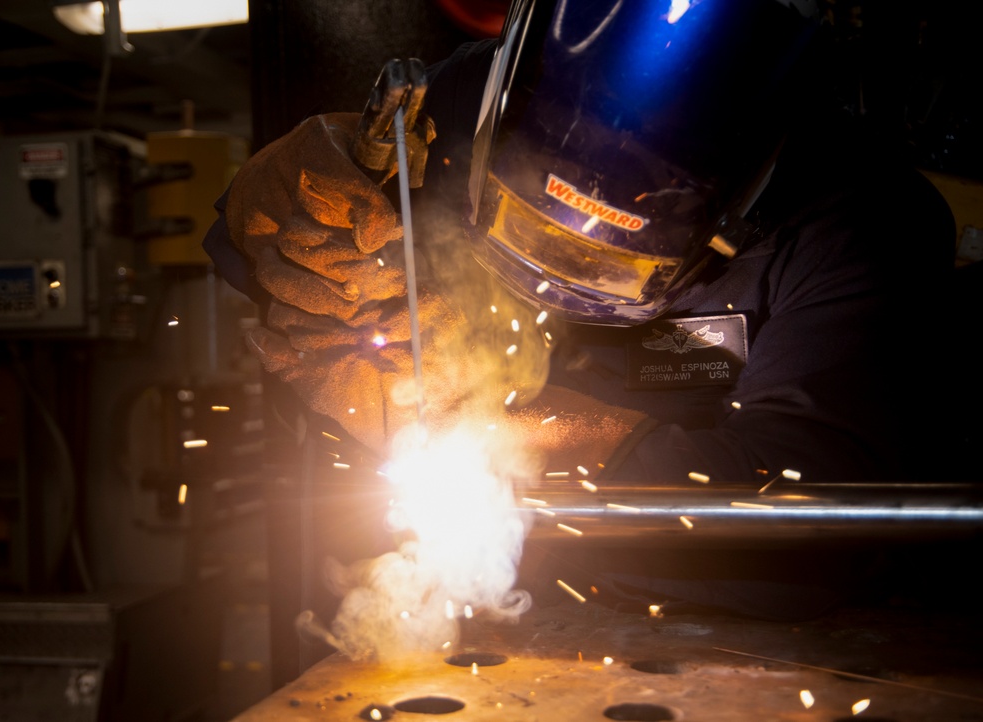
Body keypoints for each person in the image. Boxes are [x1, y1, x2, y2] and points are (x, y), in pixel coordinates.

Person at [204, 0, 957, 620]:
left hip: (742, 643)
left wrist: (545, 436)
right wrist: (284, 219)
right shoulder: (472, 104)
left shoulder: (857, 216)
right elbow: (260, 253)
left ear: (741, 197)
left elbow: (821, 540)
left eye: (608, 261)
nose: (563, 278)